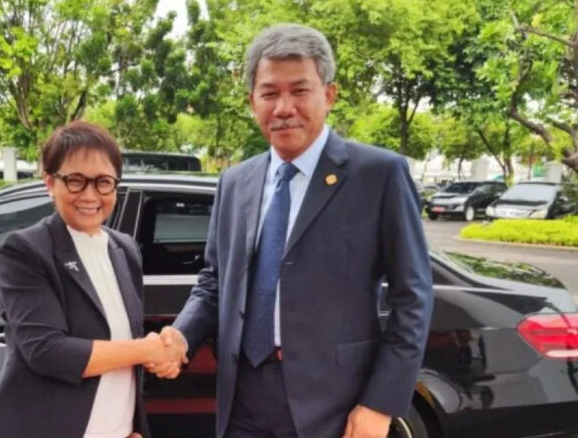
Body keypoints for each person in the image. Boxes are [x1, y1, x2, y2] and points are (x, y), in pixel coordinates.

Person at [150, 24, 434, 438]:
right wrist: (180, 335)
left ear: (329, 95)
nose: (284, 107)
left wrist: (380, 403)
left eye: (300, 91)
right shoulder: (234, 182)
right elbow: (214, 282)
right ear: (252, 101)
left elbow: (414, 297)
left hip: (334, 403)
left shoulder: (378, 174)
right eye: (269, 93)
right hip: (242, 398)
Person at [0, 122, 186, 438]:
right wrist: (148, 350)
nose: (90, 195)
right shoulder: (26, 250)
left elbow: (122, 345)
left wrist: (129, 423)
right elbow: (48, 351)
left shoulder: (125, 249)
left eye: (103, 182)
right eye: (76, 181)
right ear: (50, 182)